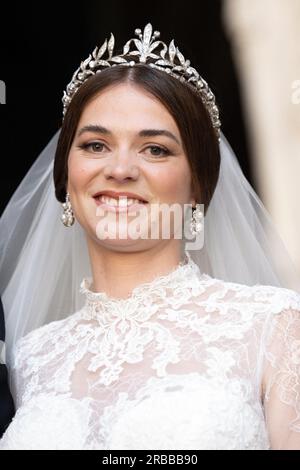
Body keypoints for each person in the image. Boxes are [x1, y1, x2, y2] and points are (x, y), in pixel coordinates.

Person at [0, 23, 300, 450]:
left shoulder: (275, 327)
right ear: (66, 176)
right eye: (95, 145)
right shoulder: (32, 356)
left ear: (199, 183)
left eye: (155, 149)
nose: (120, 169)